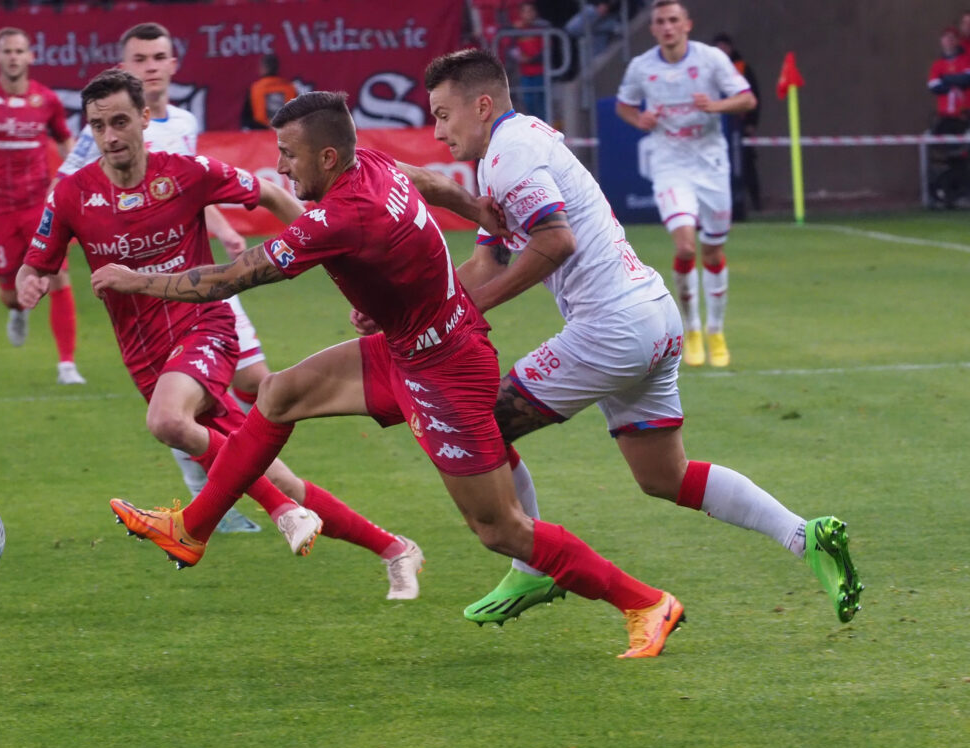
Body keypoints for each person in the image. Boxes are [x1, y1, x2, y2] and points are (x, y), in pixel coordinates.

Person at [94, 90, 686, 659]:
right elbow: (428, 181)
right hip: (407, 346)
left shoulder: (339, 217)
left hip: (444, 371)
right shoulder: (373, 163)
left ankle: (645, 602)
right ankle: (191, 530)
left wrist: (137, 280)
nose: (278, 165)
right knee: (279, 394)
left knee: (500, 528)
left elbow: (232, 277)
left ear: (327, 157)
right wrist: (479, 210)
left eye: (289, 154)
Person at [419, 48, 862, 629]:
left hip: (612, 329)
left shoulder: (510, 156)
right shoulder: (515, 145)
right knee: (663, 477)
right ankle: (804, 536)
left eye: (443, 114)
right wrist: (425, 309)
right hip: (652, 315)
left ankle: (534, 565)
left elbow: (555, 243)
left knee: (479, 425)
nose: (437, 131)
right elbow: (486, 261)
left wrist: (466, 312)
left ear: (481, 105)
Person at [19, 70, 425, 600]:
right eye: (98, 126)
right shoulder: (73, 194)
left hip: (204, 327)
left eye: (120, 121)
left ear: (145, 118)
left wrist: (323, 242)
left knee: (167, 421)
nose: (111, 136)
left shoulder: (187, 172)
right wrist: (30, 282)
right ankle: (395, 549)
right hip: (146, 357)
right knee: (273, 474)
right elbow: (38, 261)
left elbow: (273, 194)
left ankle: (275, 516)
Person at [56, 22, 267, 532]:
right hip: (146, 293)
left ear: (173, 64)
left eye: (158, 57)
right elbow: (69, 190)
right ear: (125, 68)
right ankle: (220, 498)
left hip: (201, 278)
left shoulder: (184, 123)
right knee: (179, 406)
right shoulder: (102, 134)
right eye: (140, 58)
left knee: (257, 385)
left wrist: (223, 228)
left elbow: (193, 189)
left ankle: (253, 488)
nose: (150, 66)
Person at [614, 0, 756, 369]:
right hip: (670, 166)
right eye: (660, 21)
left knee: (711, 252)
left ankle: (716, 329)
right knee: (685, 246)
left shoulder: (710, 60)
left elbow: (747, 99)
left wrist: (716, 106)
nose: (667, 26)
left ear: (687, 25)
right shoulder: (642, 67)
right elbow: (624, 106)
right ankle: (691, 327)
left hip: (710, 166)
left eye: (673, 20)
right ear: (653, 28)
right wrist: (638, 119)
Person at [0, 27, 85, 385]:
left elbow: (65, 141)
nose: (13, 57)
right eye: (7, 51)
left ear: (30, 57)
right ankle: (18, 312)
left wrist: (72, 179)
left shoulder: (47, 100)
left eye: (19, 50)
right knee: (11, 296)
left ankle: (67, 365)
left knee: (58, 276)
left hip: (40, 207)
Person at [712, 33, 761, 215]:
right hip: (716, 127)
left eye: (724, 47)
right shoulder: (708, 67)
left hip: (737, 125)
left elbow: (752, 97)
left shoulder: (741, 68)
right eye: (718, 47)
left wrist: (751, 122)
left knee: (746, 165)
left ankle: (753, 203)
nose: (721, 51)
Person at [510, 2, 550, 120]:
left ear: (535, 13)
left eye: (530, 11)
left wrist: (531, 59)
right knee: (528, 102)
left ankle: (545, 128)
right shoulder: (515, 30)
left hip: (540, 72)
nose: (528, 14)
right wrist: (519, 57)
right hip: (525, 74)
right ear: (520, 14)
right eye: (525, 12)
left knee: (542, 103)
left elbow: (546, 51)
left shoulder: (542, 28)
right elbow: (510, 47)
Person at [241, 53, 299, 130]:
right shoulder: (290, 88)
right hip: (286, 134)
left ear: (262, 68)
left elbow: (246, 120)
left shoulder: (254, 89)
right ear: (277, 68)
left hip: (261, 135)